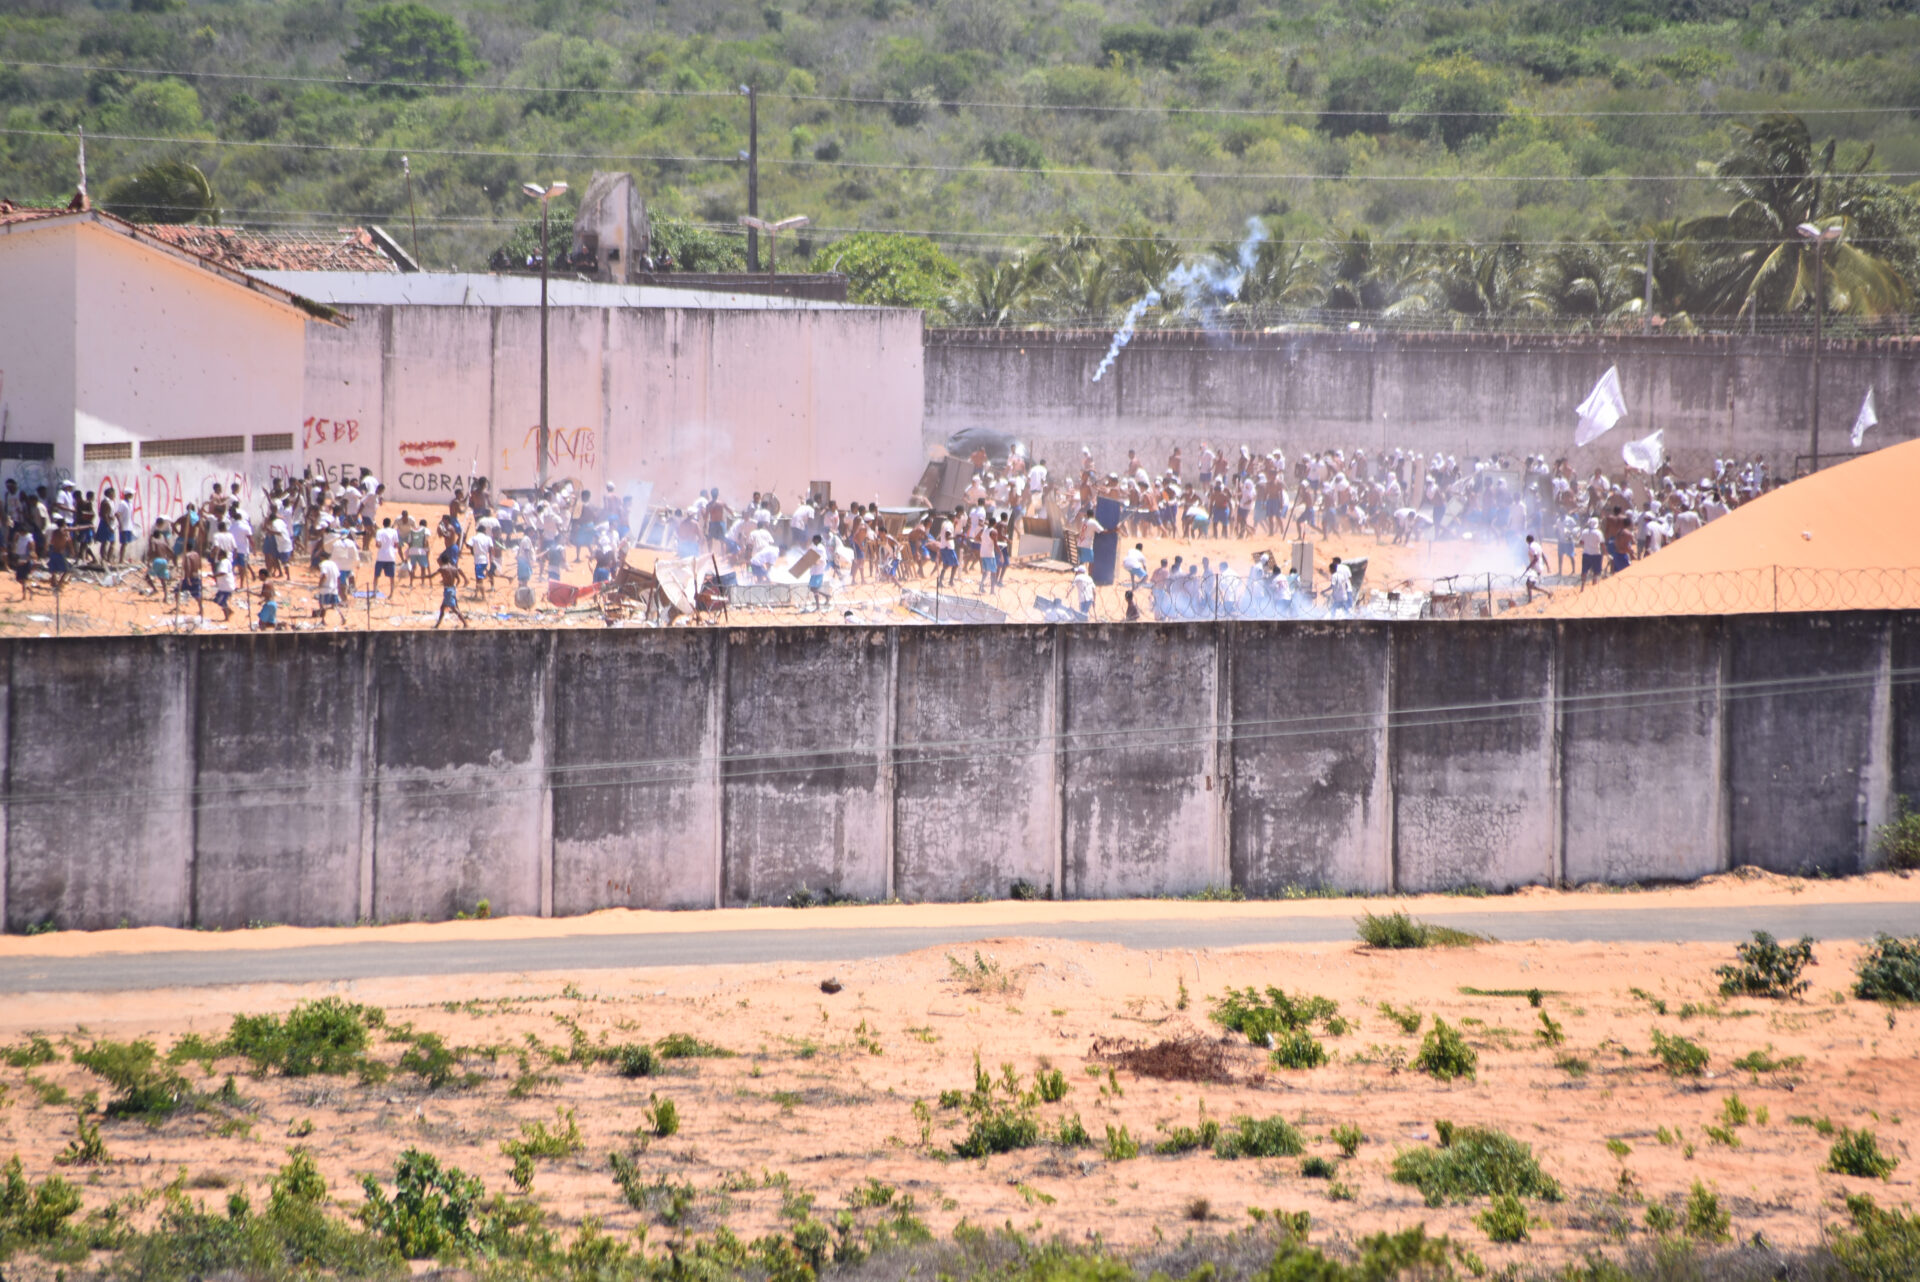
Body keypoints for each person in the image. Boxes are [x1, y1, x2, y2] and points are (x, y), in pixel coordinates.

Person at [434, 550, 468, 628]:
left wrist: (419, 577)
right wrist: (454, 586)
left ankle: (465, 623)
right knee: (443, 608)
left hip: (448, 590)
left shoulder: (443, 568)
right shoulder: (454, 568)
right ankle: (437, 625)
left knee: (454, 608)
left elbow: (431, 576)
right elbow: (459, 580)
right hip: (452, 589)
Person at [373, 517, 399, 596]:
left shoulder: (379, 532)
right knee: (391, 577)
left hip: (381, 556)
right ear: (390, 524)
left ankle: (374, 592)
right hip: (390, 556)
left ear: (383, 524)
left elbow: (377, 544)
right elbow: (396, 544)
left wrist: (381, 545)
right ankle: (391, 594)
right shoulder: (394, 531)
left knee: (376, 575)